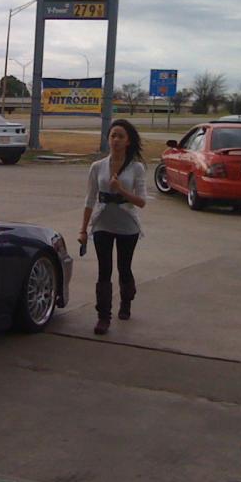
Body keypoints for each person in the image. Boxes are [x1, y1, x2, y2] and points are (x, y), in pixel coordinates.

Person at [78, 119, 147, 335]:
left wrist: (121, 190)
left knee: (123, 268)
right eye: (112, 135)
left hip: (128, 226)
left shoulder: (136, 168)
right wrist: (83, 229)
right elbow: (90, 199)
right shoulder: (97, 166)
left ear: (128, 142)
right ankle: (103, 317)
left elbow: (141, 201)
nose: (115, 140)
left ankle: (126, 300)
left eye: (120, 136)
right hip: (102, 225)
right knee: (104, 270)